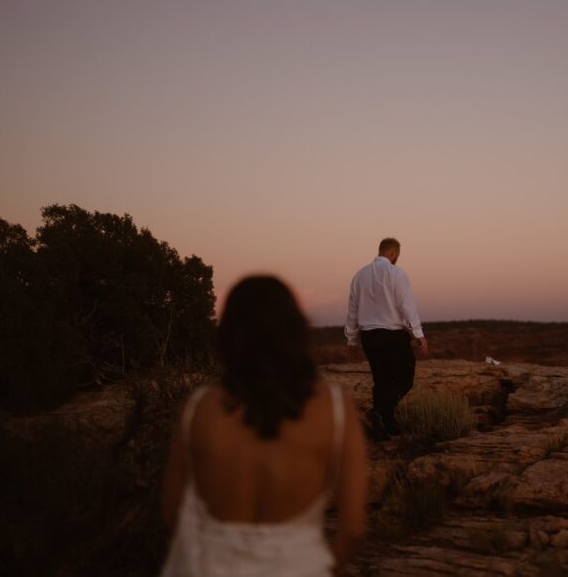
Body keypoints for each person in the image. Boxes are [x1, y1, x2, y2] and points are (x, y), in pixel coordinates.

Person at [160, 276, 367, 576]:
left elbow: (171, 514)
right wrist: (320, 568)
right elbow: (353, 528)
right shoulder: (334, 408)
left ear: (229, 334)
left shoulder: (199, 409)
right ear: (296, 330)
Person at [345, 237, 428, 440]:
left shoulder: (359, 276)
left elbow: (352, 311)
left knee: (381, 381)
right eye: (397, 256)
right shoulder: (396, 273)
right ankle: (380, 412)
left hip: (369, 337)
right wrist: (418, 333)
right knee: (405, 378)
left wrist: (352, 340)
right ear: (393, 253)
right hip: (393, 336)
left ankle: (385, 427)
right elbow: (406, 305)